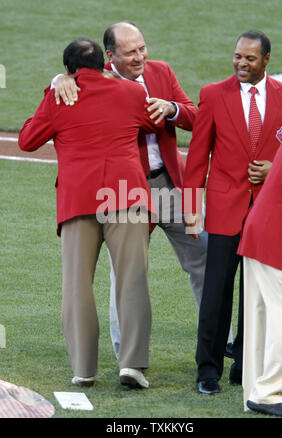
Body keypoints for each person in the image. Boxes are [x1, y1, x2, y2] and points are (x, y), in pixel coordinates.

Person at [53, 21, 209, 358]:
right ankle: (127, 354)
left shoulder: (161, 72)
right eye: (131, 52)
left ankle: (216, 337)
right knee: (126, 271)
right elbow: (56, 100)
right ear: (110, 56)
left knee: (205, 254)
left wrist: (172, 110)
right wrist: (59, 80)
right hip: (125, 191)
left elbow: (198, 117)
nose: (141, 57)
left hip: (171, 184)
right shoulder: (92, 79)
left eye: (142, 48)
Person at [18, 38, 165, 389]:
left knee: (77, 285)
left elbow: (27, 139)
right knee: (133, 279)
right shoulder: (130, 93)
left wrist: (54, 86)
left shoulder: (59, 96)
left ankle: (84, 369)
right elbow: (154, 123)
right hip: (127, 195)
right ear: (104, 63)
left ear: (69, 70)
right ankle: (131, 364)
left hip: (79, 199)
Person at [183, 30, 282, 394]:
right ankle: (207, 370)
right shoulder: (213, 95)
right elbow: (198, 156)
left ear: (267, 60)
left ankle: (245, 366)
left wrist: (274, 166)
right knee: (217, 291)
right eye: (237, 56)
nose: (241, 64)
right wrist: (190, 209)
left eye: (250, 58)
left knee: (259, 294)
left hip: (268, 213)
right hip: (224, 210)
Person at [238, 124, 282, 417]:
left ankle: (256, 391)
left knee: (260, 318)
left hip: (261, 232)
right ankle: (267, 393)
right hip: (279, 238)